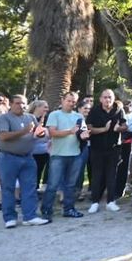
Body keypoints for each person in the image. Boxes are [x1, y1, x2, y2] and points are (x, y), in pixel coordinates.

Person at [0, 95, 51, 227]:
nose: (21, 106)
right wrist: (24, 131)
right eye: (18, 103)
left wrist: (41, 133)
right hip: (7, 157)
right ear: (11, 104)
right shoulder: (3, 118)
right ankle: (9, 218)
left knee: (29, 188)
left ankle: (30, 216)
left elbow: (37, 133)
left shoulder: (30, 118)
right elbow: (3, 136)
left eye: (24, 103)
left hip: (27, 157)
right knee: (8, 188)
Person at [41, 92, 87, 220]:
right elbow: (52, 133)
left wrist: (84, 135)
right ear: (63, 100)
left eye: (74, 101)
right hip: (58, 155)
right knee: (53, 185)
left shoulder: (78, 116)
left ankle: (69, 209)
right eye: (69, 101)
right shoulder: (55, 115)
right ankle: (46, 210)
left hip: (75, 154)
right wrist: (69, 131)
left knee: (71, 185)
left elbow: (81, 133)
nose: (71, 103)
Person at [85, 89, 126, 214]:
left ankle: (111, 201)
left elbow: (125, 126)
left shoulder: (119, 110)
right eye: (105, 97)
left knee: (111, 175)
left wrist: (119, 128)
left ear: (113, 98)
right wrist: (104, 129)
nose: (108, 99)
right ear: (101, 99)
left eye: (110, 97)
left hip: (114, 148)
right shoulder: (95, 110)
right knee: (97, 175)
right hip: (97, 148)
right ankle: (95, 202)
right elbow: (89, 128)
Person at [28, 100, 50, 191]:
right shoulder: (29, 118)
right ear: (37, 107)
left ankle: (35, 189)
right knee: (31, 172)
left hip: (44, 151)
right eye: (44, 107)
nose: (47, 109)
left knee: (39, 171)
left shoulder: (47, 119)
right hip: (31, 151)